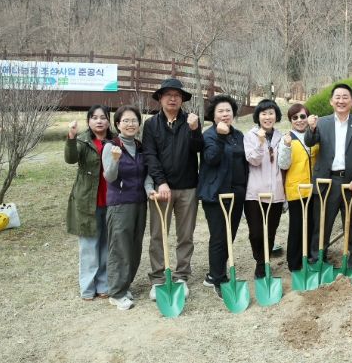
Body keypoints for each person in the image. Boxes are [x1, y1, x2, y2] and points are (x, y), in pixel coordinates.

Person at [142, 78, 203, 301]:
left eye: (177, 95)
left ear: (182, 99)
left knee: (185, 235)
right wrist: (160, 182)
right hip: (162, 189)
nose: (173, 99)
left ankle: (181, 276)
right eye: (168, 95)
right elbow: (150, 155)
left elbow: (199, 149)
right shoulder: (151, 124)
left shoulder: (191, 121)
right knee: (158, 235)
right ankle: (158, 278)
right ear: (160, 98)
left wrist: (195, 131)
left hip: (188, 187)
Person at [304, 83, 352, 268]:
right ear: (331, 101)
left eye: (345, 97)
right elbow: (310, 142)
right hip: (327, 181)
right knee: (322, 223)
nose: (341, 101)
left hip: (351, 183)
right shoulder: (322, 123)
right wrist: (311, 128)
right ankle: (318, 259)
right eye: (337, 97)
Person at [102, 105, 155, 310]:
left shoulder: (140, 147)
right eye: (125, 121)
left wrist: (149, 190)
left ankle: (125, 285)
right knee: (120, 248)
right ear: (117, 124)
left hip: (139, 202)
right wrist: (115, 160)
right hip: (120, 204)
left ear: (139, 124)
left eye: (134, 120)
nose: (130, 124)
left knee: (134, 246)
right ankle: (116, 292)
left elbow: (146, 173)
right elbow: (110, 177)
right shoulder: (111, 146)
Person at [197, 95, 248, 298]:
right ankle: (216, 277)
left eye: (228, 111)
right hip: (216, 193)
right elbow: (211, 158)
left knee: (230, 235)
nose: (225, 114)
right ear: (213, 115)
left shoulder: (238, 135)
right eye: (221, 111)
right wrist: (219, 136)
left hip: (236, 193)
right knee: (219, 236)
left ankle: (217, 271)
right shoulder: (209, 135)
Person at [64, 104, 114, 301]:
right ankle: (87, 287)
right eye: (94, 117)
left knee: (106, 245)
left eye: (103, 117)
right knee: (88, 246)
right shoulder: (83, 141)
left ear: (108, 121)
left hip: (110, 200)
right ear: (88, 121)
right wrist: (71, 137)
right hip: (87, 201)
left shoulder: (115, 141)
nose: (99, 121)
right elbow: (70, 158)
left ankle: (103, 285)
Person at [244, 99, 286, 278]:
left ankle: (265, 262)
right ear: (258, 116)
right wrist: (261, 143)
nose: (267, 117)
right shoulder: (249, 135)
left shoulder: (281, 137)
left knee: (270, 231)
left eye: (271, 113)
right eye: (264, 113)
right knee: (256, 233)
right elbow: (253, 160)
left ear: (276, 116)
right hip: (254, 192)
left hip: (276, 192)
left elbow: (285, 164)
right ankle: (260, 260)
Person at [278, 104, 319, 272]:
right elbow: (283, 164)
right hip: (296, 189)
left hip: (314, 189)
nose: (299, 120)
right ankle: (294, 263)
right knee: (297, 226)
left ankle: (308, 256)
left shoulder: (315, 135)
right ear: (290, 120)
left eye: (303, 116)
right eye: (295, 118)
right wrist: (287, 146)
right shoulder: (287, 138)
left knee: (312, 224)